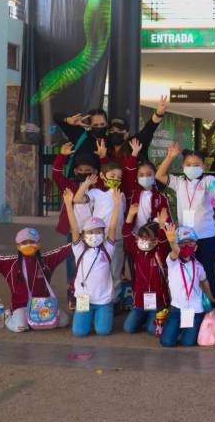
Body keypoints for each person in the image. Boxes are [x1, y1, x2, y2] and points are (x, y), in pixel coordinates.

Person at [155, 143, 215, 303]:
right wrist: (169, 157)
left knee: (207, 271)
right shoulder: (179, 181)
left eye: (196, 165)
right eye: (188, 164)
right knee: (187, 271)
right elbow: (159, 176)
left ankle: (212, 305)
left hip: (206, 236)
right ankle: (191, 303)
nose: (192, 167)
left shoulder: (208, 181)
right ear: (182, 166)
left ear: (204, 165)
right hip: (185, 238)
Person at [52, 141, 105, 310]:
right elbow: (56, 175)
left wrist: (103, 159)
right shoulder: (69, 184)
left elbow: (107, 175)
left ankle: (97, 293)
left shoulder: (99, 186)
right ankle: (73, 291)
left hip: (95, 232)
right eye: (80, 170)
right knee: (73, 262)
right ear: (74, 171)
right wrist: (61, 156)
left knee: (95, 261)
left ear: (95, 172)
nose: (83, 173)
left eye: (88, 171)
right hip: (73, 230)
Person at [64, 188, 121, 337]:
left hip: (104, 301)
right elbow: (74, 227)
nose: (94, 235)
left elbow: (112, 227)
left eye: (98, 232)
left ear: (103, 234)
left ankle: (100, 316)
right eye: (90, 232)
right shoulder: (79, 249)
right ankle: (88, 318)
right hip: (84, 300)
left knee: (103, 331)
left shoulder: (107, 249)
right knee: (79, 332)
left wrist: (116, 205)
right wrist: (68, 205)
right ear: (83, 236)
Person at [55, 95, 169, 167]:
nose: (99, 127)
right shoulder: (81, 135)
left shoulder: (123, 144)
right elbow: (56, 117)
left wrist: (158, 114)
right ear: (89, 125)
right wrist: (68, 120)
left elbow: (147, 131)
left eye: (102, 124)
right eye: (95, 125)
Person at [71, 161, 127, 304]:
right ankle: (90, 302)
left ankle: (113, 303)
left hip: (117, 240)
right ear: (102, 176)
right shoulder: (96, 193)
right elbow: (77, 199)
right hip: (97, 240)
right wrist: (86, 184)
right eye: (112, 175)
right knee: (95, 270)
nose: (116, 179)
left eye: (119, 177)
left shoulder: (122, 196)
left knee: (115, 272)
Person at [159, 223, 215, 347]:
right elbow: (175, 251)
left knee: (188, 343)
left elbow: (204, 281)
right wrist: (172, 242)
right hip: (177, 308)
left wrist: (210, 296)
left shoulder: (199, 266)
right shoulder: (172, 262)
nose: (186, 246)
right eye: (182, 243)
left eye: (190, 243)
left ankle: (185, 329)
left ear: (195, 247)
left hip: (195, 310)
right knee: (166, 342)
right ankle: (179, 328)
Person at [121, 206, 170, 335]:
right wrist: (130, 216)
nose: (144, 241)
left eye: (149, 238)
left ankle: (158, 316)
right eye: (142, 237)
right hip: (140, 302)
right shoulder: (136, 251)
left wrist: (161, 227)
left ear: (155, 240)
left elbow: (163, 241)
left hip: (158, 302)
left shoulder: (160, 252)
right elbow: (126, 234)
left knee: (151, 330)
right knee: (128, 328)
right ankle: (144, 317)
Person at [106, 95, 169, 162]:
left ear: (127, 133)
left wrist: (158, 114)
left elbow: (148, 129)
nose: (115, 133)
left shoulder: (134, 144)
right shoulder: (106, 148)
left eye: (120, 130)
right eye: (112, 130)